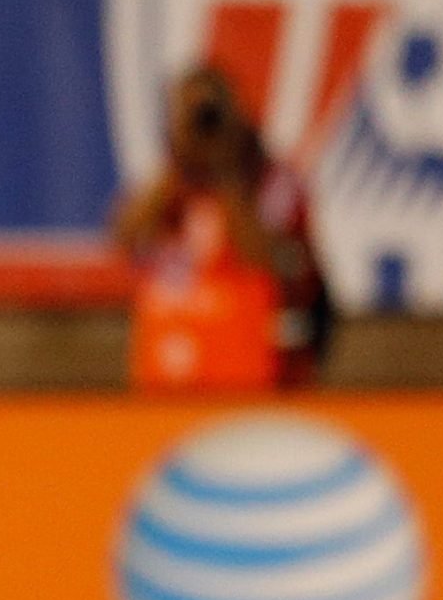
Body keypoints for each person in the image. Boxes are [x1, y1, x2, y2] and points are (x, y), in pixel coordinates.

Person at [114, 62, 325, 391]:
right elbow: (125, 237)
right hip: (170, 362)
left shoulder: (273, 181)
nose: (205, 126)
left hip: (253, 366)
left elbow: (263, 259)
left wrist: (227, 171)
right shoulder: (170, 183)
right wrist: (180, 160)